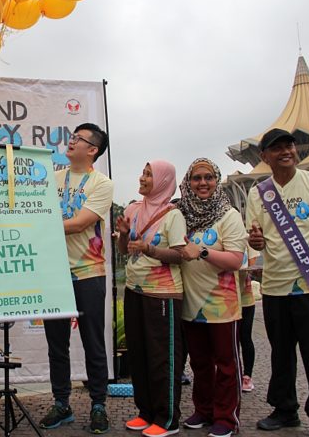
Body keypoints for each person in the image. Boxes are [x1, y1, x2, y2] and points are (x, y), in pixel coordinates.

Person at [246, 128, 309, 437]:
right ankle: (285, 410)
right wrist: (257, 243)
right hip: (275, 287)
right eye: (277, 148)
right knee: (281, 354)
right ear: (265, 156)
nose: (286, 151)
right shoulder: (258, 193)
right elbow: (257, 238)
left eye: (289, 145)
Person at [38, 123, 113, 435]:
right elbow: (34, 210)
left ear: (92, 150)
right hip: (53, 272)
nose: (70, 142)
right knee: (57, 344)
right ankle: (61, 404)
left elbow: (81, 223)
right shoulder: (52, 178)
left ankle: (98, 405)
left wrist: (39, 223)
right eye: (71, 137)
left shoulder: (102, 184)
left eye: (78, 139)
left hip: (88, 272)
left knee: (93, 342)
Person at [177, 158, 247, 437]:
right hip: (190, 302)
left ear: (217, 181)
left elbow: (236, 260)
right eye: (196, 178)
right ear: (188, 182)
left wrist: (203, 251)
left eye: (208, 177)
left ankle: (226, 418)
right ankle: (204, 410)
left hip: (221, 304)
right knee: (199, 362)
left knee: (226, 364)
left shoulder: (228, 215)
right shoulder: (182, 213)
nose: (203, 183)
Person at [116, 160, 185, 437]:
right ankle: (145, 412)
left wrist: (149, 249)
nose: (142, 178)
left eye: (149, 175)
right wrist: (123, 235)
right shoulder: (133, 209)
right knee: (139, 355)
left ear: (163, 181)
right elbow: (124, 250)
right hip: (134, 290)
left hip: (163, 295)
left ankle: (167, 419)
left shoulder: (173, 215)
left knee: (161, 358)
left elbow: (180, 255)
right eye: (143, 173)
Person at [238, 248, 259, 393]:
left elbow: (252, 264)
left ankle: (247, 376)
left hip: (245, 297)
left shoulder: (247, 240)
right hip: (223, 296)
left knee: (245, 336)